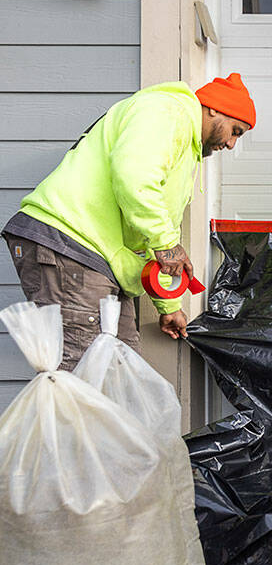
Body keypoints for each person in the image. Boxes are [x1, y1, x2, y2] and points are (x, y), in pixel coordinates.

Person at [3, 74, 256, 370]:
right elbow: (134, 179)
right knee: (80, 376)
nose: (231, 143)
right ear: (213, 109)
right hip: (69, 246)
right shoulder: (165, 111)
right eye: (235, 130)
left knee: (123, 373)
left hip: (95, 258)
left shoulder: (184, 147)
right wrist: (166, 244)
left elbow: (154, 224)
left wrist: (169, 304)